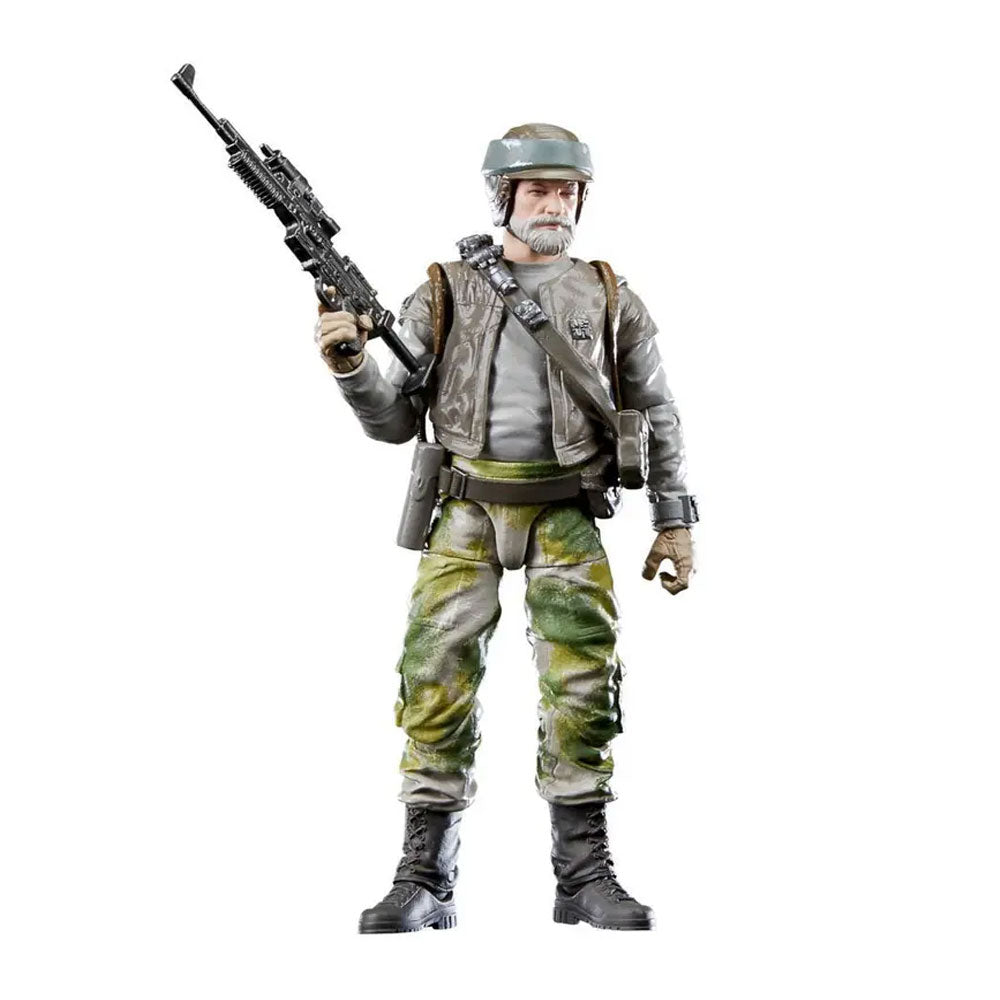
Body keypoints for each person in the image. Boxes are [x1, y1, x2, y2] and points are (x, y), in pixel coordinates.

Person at [316, 124, 698, 933]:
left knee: (583, 684)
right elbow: (394, 421)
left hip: (567, 510)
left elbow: (658, 410)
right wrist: (352, 367)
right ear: (504, 198)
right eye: (537, 190)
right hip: (465, 510)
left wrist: (674, 520)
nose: (553, 204)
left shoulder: (609, 297)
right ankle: (426, 876)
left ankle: (584, 876)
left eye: (566, 191)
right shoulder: (444, 292)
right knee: (434, 677)